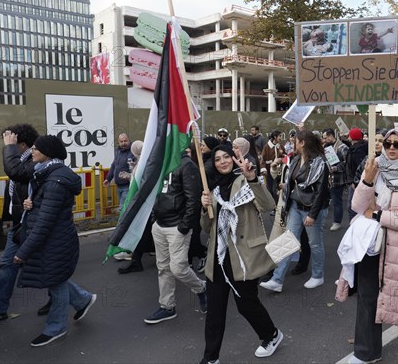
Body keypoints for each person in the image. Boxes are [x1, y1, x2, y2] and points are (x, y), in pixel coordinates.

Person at [338, 128, 398, 364]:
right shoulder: (373, 168)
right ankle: (366, 352)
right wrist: (368, 180)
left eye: (397, 144)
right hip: (370, 248)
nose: (391, 148)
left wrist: (379, 215)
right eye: (388, 143)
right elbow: (357, 206)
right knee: (367, 301)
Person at [199, 145, 282, 363]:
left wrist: (253, 178)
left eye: (226, 157)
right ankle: (210, 358)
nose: (223, 162)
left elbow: (267, 205)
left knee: (247, 305)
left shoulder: (246, 181)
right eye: (217, 159)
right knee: (215, 312)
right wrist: (204, 208)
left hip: (243, 257)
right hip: (218, 257)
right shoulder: (212, 189)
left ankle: (271, 335)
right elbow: (208, 227)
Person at [13, 135, 97, 347]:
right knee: (55, 278)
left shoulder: (54, 181)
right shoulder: (47, 174)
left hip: (56, 241)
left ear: (48, 152)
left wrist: (23, 251)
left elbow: (45, 222)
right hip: (54, 240)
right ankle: (83, 299)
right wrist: (31, 204)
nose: (31, 151)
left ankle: (56, 327)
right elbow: (46, 209)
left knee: (55, 281)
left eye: (35, 148)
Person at [260, 129, 330, 292]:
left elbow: (321, 192)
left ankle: (318, 276)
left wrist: (312, 215)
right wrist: (286, 187)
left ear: (303, 143)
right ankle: (277, 280)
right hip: (295, 206)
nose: (292, 143)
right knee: (288, 241)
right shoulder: (296, 159)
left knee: (315, 243)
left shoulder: (320, 162)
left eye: (295, 141)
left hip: (312, 209)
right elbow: (295, 182)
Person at [0, 124, 46, 321]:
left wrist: (9, 148)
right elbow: (13, 190)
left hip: (31, 223)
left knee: (42, 265)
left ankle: (78, 298)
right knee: (8, 264)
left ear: (22, 144)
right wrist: (8, 217)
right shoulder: (21, 159)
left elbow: (16, 173)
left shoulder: (34, 160)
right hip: (19, 223)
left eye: (13, 142)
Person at [144, 147, 207, 324]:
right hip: (160, 225)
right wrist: (155, 219)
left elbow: (193, 199)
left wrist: (184, 226)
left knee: (178, 268)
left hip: (176, 227)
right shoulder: (162, 164)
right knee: (163, 268)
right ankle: (167, 306)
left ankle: (201, 288)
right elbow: (157, 193)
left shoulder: (187, 165)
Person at [118, 140, 156, 274]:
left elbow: (142, 181)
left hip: (143, 203)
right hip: (144, 203)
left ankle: (136, 259)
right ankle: (137, 258)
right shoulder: (144, 162)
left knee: (141, 230)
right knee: (146, 231)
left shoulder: (144, 163)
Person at [322, 128, 349, 231]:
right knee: (325, 200)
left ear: (331, 136)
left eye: (325, 138)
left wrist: (335, 168)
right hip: (328, 179)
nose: (324, 140)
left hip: (338, 179)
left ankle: (337, 222)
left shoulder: (342, 147)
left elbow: (347, 163)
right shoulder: (327, 147)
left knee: (337, 201)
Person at [103, 133, 134, 210]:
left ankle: (122, 222)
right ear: (119, 143)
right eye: (121, 141)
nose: (123, 143)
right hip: (119, 186)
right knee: (124, 208)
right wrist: (108, 179)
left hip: (128, 185)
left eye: (125, 141)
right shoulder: (118, 152)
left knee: (123, 207)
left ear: (129, 140)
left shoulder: (133, 151)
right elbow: (114, 165)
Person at [345, 127, 368, 221]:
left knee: (352, 206)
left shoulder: (358, 150)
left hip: (355, 182)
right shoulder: (356, 147)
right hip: (353, 181)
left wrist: (355, 182)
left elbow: (359, 167)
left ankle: (354, 224)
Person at [261, 130, 284, 202]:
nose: (281, 138)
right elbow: (262, 160)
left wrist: (282, 156)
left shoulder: (281, 147)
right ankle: (272, 206)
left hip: (278, 172)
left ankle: (277, 206)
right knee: (269, 189)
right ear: (275, 137)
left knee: (276, 189)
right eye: (280, 136)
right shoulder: (267, 147)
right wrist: (264, 169)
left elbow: (285, 158)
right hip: (268, 172)